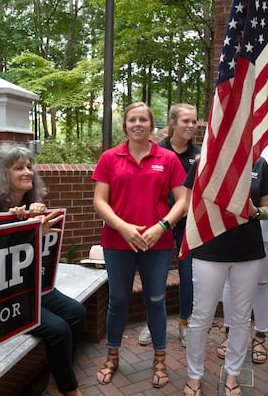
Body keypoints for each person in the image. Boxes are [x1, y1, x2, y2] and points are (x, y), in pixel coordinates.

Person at [0, 142, 85, 396]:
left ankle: (58, 375)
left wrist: (37, 220)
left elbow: (44, 252)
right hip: (4, 296)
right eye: (18, 168)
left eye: (29, 166)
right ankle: (69, 389)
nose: (27, 172)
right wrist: (30, 232)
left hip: (34, 285)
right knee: (58, 330)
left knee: (76, 312)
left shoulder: (32, 205)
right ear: (3, 174)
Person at [92, 102, 187, 388]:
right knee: (118, 300)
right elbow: (99, 201)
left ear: (152, 126)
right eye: (132, 119)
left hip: (156, 243)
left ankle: (159, 359)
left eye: (143, 119)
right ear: (125, 126)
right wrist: (122, 227)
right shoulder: (110, 158)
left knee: (156, 300)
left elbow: (183, 200)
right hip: (117, 242)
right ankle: (112, 355)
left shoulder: (167, 158)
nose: (137, 124)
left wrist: (162, 226)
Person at [184, 157, 268, 396]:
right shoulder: (202, 162)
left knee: (241, 317)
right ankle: (194, 376)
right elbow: (187, 206)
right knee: (201, 317)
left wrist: (256, 212)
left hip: (248, 252)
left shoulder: (259, 164)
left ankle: (233, 373)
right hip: (209, 250)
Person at [217, 137, 268, 364]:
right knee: (231, 282)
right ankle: (230, 334)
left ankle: (260, 335)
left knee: (262, 283)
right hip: (235, 228)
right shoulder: (236, 136)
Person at [138, 103, 200, 348]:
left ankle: (184, 323)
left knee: (188, 275)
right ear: (173, 123)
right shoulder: (157, 151)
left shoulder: (199, 155)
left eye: (194, 121)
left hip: (187, 225)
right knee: (155, 276)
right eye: (186, 121)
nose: (191, 126)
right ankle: (152, 322)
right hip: (160, 224)